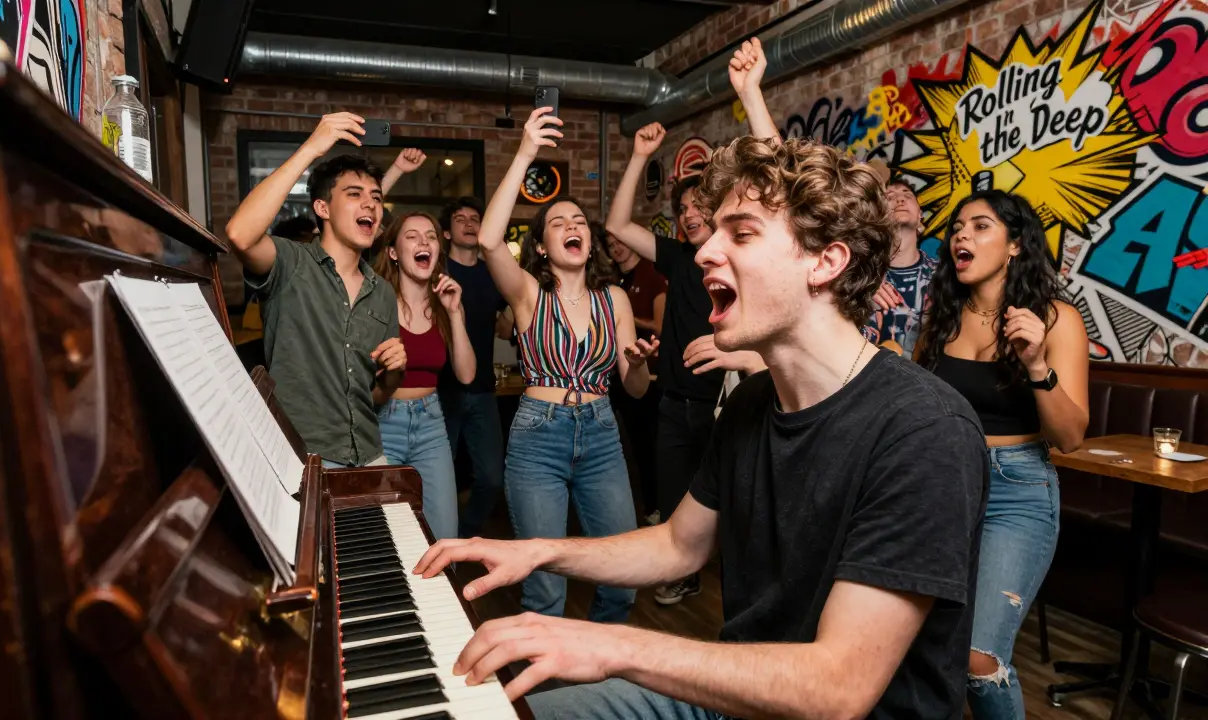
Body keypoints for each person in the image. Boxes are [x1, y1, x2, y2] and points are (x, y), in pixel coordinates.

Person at [413, 131, 989, 720]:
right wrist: (537, 552)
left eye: (739, 233)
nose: (707, 251)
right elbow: (676, 543)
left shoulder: (925, 430)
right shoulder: (751, 404)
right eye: (713, 232)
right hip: (736, 698)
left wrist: (610, 645)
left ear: (827, 261)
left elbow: (837, 688)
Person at [475, 105, 658, 624]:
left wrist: (640, 365)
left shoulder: (615, 300)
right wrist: (527, 151)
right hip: (539, 436)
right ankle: (551, 700)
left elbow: (636, 389)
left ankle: (596, 685)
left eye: (579, 220)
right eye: (558, 222)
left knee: (622, 582)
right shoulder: (529, 295)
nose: (571, 225)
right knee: (545, 592)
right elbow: (489, 240)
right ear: (541, 243)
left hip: (601, 433)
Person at [915, 189, 1089, 720]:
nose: (961, 234)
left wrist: (1037, 365)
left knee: (978, 658)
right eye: (957, 226)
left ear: (1015, 245)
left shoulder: (1056, 319)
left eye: (981, 225)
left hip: (1016, 490)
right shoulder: (941, 316)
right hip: (943, 482)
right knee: (928, 647)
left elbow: (1071, 435)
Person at [606, 58, 766, 607]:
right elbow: (618, 225)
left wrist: (733, 350)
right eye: (684, 207)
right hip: (675, 400)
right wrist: (639, 156)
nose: (691, 213)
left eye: (702, 206)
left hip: (727, 399)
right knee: (677, 497)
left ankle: (739, 584)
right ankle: (687, 572)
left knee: (739, 499)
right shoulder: (677, 258)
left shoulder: (742, 260)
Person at [225, 112, 405, 468]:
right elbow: (239, 235)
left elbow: (375, 395)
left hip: (368, 455)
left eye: (376, 196)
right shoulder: (292, 263)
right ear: (322, 207)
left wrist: (395, 373)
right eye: (354, 194)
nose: (370, 203)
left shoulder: (382, 291)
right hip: (303, 459)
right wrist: (312, 147)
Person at [371, 212, 476, 540]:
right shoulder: (375, 301)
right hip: (381, 422)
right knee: (389, 535)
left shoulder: (446, 304)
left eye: (430, 236)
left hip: (431, 425)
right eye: (412, 236)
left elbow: (467, 375)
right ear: (393, 252)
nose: (424, 242)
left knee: (445, 532)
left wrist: (455, 313)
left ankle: (447, 591)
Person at [436, 196, 513, 539]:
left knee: (492, 478)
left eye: (475, 218)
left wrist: (515, 306)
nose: (469, 223)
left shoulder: (493, 274)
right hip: (440, 391)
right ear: (447, 232)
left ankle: (464, 534)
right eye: (460, 218)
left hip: (482, 390)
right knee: (439, 477)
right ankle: (438, 537)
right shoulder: (436, 272)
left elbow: (505, 328)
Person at [605, 230, 667, 526]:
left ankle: (655, 508)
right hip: (616, 377)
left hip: (648, 375)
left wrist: (622, 316)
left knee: (646, 447)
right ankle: (632, 510)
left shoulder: (651, 274)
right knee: (624, 449)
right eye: (611, 244)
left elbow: (659, 325)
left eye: (621, 241)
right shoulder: (615, 280)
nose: (617, 247)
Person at [863, 180, 937, 358]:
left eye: (907, 195)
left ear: (920, 215)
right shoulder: (861, 275)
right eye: (890, 197)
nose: (900, 200)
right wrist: (862, 292)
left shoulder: (942, 276)